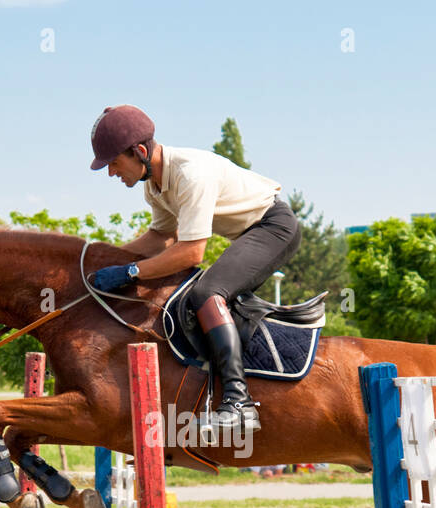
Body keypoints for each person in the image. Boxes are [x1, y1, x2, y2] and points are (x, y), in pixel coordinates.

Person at [87, 104, 301, 433]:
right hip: (248, 234)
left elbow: (191, 253)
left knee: (206, 292)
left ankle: (239, 402)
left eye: (114, 163)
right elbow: (161, 237)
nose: (112, 172)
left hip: (274, 228)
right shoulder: (154, 185)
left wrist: (131, 272)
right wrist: (104, 258)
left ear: (140, 152)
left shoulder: (190, 174)